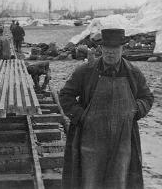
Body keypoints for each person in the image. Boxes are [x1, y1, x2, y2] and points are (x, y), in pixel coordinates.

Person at [59, 28, 154, 189]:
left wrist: (136, 110)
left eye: (115, 49)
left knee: (120, 180)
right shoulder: (86, 71)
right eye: (107, 49)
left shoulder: (133, 72)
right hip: (91, 139)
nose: (111, 53)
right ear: (101, 49)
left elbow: (147, 97)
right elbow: (65, 95)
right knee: (89, 180)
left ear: (122, 49)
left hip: (123, 139)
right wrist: (81, 116)